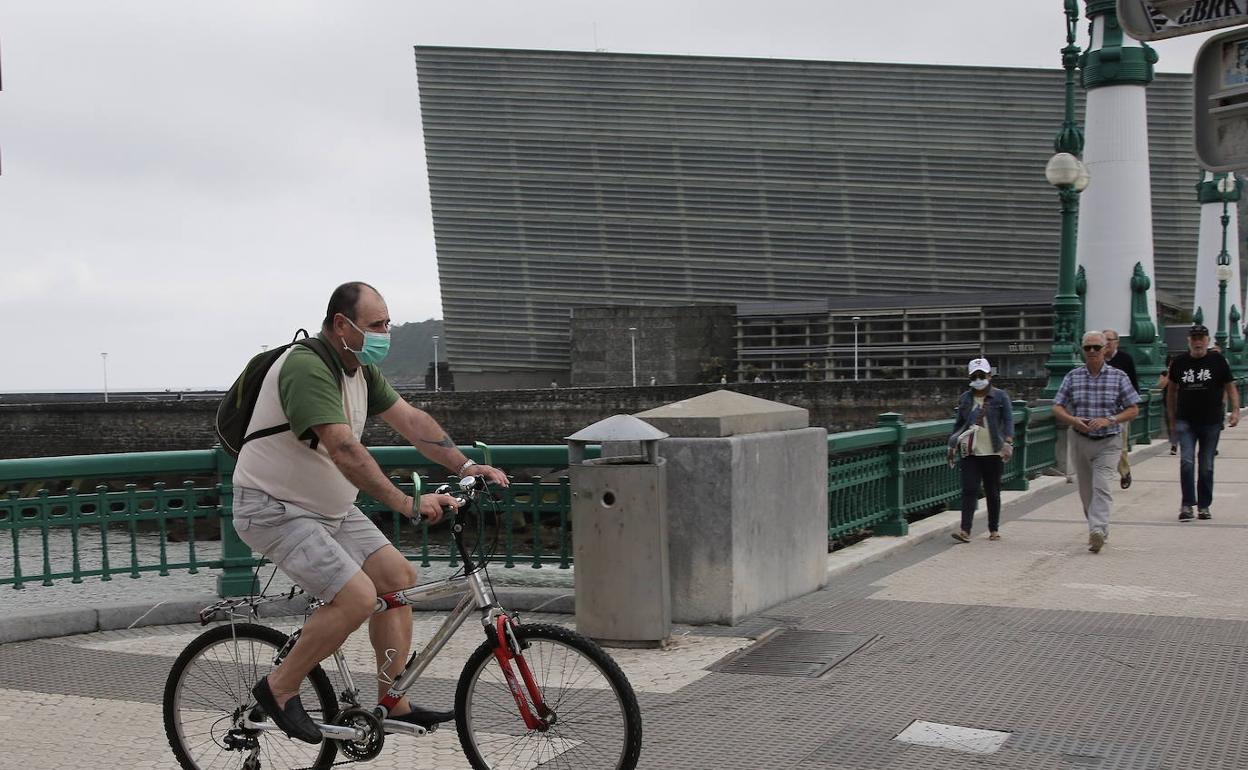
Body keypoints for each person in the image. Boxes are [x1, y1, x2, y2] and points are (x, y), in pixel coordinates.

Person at [232, 282, 510, 744]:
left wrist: (465, 465)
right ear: (342, 325)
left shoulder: (359, 368)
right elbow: (343, 447)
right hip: (273, 508)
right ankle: (279, 689)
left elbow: (413, 421)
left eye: (387, 324)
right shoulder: (306, 367)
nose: (386, 334)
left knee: (397, 578)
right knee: (357, 598)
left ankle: (391, 698)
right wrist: (406, 503)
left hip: (329, 509)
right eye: (376, 325)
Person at [1052, 331, 1141, 554]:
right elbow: (1057, 406)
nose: (1092, 352)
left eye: (1096, 348)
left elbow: (1133, 409)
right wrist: (1073, 420)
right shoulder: (1073, 376)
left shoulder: (1119, 376)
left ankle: (1098, 530)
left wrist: (1110, 420)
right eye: (1087, 348)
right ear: (1082, 350)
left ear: (1105, 350)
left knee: (1101, 486)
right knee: (1085, 491)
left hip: (1109, 440)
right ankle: (1097, 526)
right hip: (1080, 439)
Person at [1166, 324, 1240, 521]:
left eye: (1201, 338)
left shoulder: (1218, 361)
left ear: (1207, 341)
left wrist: (1235, 410)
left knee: (1206, 465)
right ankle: (1187, 504)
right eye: (1194, 338)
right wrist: (1172, 420)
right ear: (1189, 340)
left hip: (1211, 421)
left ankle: (1204, 506)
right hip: (1185, 420)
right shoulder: (1179, 362)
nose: (1198, 341)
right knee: (1187, 461)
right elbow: (1171, 391)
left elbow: (1230, 386)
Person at [946, 357, 1014, 543]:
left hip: (993, 451)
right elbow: (958, 425)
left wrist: (1008, 442)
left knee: (992, 491)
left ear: (989, 375)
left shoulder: (1000, 396)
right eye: (974, 376)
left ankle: (993, 529)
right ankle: (965, 530)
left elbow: (1008, 420)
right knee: (969, 489)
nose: (978, 379)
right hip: (971, 451)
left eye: (981, 375)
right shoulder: (965, 399)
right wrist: (952, 443)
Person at [1102, 329, 1139, 489]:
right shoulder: (1097, 358)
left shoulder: (1125, 359)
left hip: (1121, 410)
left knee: (1120, 444)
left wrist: (1132, 407)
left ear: (1117, 342)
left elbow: (1133, 383)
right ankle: (1103, 473)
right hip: (1101, 410)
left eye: (1110, 340)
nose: (1107, 343)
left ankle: (1124, 472)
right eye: (1105, 340)